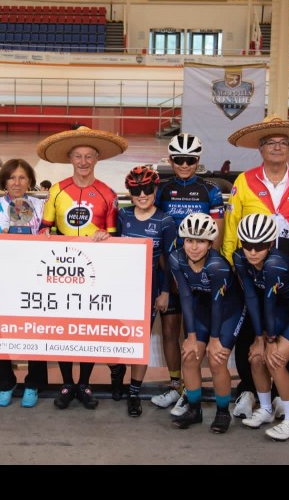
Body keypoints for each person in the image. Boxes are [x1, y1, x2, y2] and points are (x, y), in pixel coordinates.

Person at [223, 115, 289, 421]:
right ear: (260, 149)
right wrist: (231, 267)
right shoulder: (244, 181)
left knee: (282, 331)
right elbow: (231, 226)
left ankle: (280, 394)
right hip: (249, 264)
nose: (277, 148)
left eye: (283, 143)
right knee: (250, 329)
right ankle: (248, 390)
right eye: (270, 143)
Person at [36, 126, 128, 410]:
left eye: (89, 156)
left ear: (97, 159)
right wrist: (45, 234)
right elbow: (45, 227)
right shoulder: (56, 190)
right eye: (78, 156)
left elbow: (113, 235)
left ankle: (85, 383)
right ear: (70, 158)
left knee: (88, 328)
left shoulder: (108, 193)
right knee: (63, 328)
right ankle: (67, 383)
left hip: (93, 273)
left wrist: (105, 236)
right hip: (62, 270)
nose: (83, 162)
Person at [153, 133, 225, 417]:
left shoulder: (211, 191)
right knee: (170, 331)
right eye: (179, 160)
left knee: (190, 333)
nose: (184, 165)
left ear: (198, 161)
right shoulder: (162, 190)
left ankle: (189, 391)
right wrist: (166, 269)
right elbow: (157, 228)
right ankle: (176, 385)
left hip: (199, 272)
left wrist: (200, 271)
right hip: (169, 269)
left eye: (190, 160)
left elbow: (216, 236)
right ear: (171, 160)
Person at [234, 213, 289, 441]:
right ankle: (266, 409)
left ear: (271, 244)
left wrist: (270, 341)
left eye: (259, 246)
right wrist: (259, 339)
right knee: (256, 357)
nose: (252, 252)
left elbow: (269, 302)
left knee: (276, 360)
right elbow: (251, 297)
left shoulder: (274, 264)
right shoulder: (239, 257)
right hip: (282, 309)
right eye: (247, 245)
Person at [167, 213, 244, 433]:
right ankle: (194, 410)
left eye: (200, 241)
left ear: (210, 244)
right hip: (202, 306)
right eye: (189, 240)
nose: (193, 247)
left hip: (228, 309)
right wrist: (191, 337)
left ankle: (222, 412)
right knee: (189, 357)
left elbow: (218, 303)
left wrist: (214, 339)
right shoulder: (176, 258)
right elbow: (185, 296)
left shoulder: (217, 265)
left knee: (217, 360)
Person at [0, 158, 48, 408]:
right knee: (3, 329)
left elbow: (48, 234)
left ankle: (34, 383)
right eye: (12, 177)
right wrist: (1, 237)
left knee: (36, 329)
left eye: (22, 177)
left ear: (30, 181)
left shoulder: (40, 206)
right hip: (4, 277)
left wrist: (44, 236)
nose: (17, 182)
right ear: (4, 181)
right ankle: (5, 382)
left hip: (35, 277)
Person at [116, 166, 177, 416]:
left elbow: (169, 261)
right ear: (130, 193)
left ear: (155, 190)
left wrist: (165, 292)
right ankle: (116, 374)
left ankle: (134, 392)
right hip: (122, 287)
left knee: (139, 341)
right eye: (136, 190)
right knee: (115, 336)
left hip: (148, 289)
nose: (142, 195)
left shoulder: (165, 221)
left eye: (148, 189)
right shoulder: (122, 215)